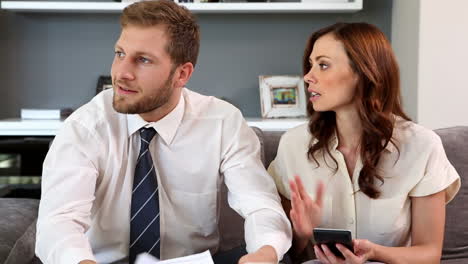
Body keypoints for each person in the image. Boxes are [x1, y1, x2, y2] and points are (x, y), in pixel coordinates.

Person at [35, 1, 292, 263]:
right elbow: (59, 221)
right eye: (120, 53)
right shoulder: (86, 126)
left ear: (182, 74)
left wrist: (265, 252)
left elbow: (260, 204)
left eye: (143, 60)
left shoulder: (223, 123)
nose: (122, 73)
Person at [268, 22, 460, 264]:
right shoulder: (293, 145)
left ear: (365, 72)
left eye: (323, 65)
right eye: (310, 65)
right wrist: (301, 234)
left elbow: (429, 254)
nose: (308, 77)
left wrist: (374, 253)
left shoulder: (422, 146)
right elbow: (288, 254)